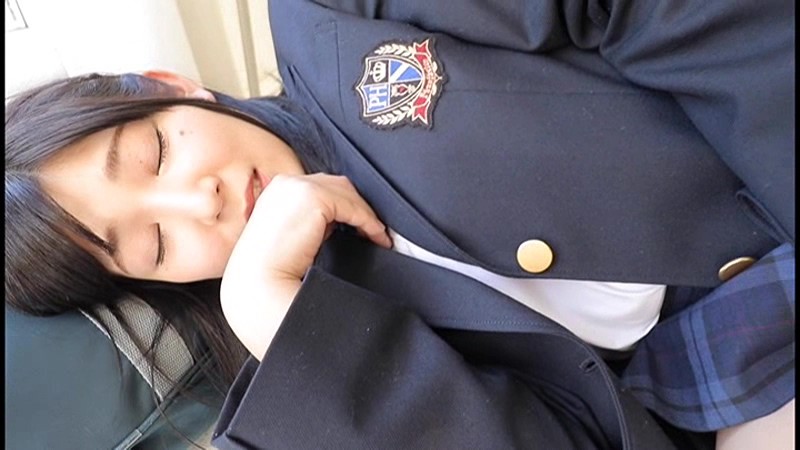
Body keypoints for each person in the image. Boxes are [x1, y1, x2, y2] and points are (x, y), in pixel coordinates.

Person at [5, 0, 794, 448]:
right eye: (157, 245)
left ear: (169, 86)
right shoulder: (318, 367)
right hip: (744, 393)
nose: (199, 202)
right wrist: (274, 312)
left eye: (154, 154)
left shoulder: (330, 16)